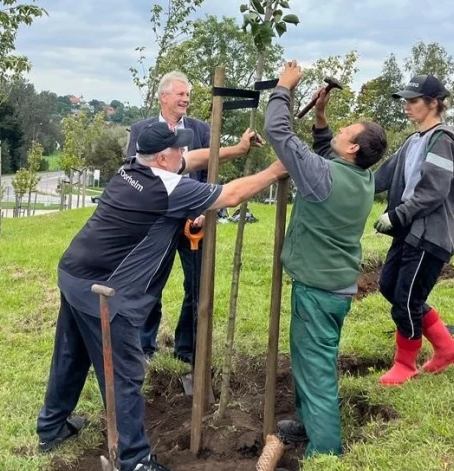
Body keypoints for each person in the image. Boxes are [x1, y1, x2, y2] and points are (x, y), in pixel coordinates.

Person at [36, 121, 286, 471]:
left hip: (75, 273)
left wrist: (234, 150)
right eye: (178, 150)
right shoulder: (169, 190)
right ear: (163, 159)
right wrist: (276, 169)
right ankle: (135, 460)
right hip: (108, 293)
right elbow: (231, 195)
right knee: (125, 375)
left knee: (71, 354)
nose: (184, 153)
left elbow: (192, 160)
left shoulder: (131, 169)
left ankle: (51, 428)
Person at [264, 60, 388, 457]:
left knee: (315, 372)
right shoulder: (362, 177)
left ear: (352, 147)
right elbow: (324, 156)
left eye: (347, 130)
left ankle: (325, 456)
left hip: (317, 291)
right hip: (337, 286)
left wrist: (284, 88)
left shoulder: (323, 176)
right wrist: (320, 118)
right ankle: (308, 426)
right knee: (313, 361)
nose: (342, 128)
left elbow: (278, 132)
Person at [374, 75, 454, 386]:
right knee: (390, 286)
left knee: (406, 298)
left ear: (434, 103)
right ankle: (447, 347)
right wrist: (343, 180)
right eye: (405, 100)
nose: (406, 106)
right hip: (410, 231)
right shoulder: (414, 141)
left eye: (413, 101)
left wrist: (396, 216)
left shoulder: (442, 141)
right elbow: (381, 177)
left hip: (431, 233)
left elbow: (432, 192)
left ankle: (405, 364)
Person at [126, 71, 210, 363]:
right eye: (180, 94)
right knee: (150, 281)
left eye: (188, 95)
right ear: (164, 97)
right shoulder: (141, 130)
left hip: (194, 223)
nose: (186, 99)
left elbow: (210, 171)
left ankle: (186, 349)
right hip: (156, 221)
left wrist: (204, 211)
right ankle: (145, 347)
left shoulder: (201, 130)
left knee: (197, 284)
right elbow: (132, 172)